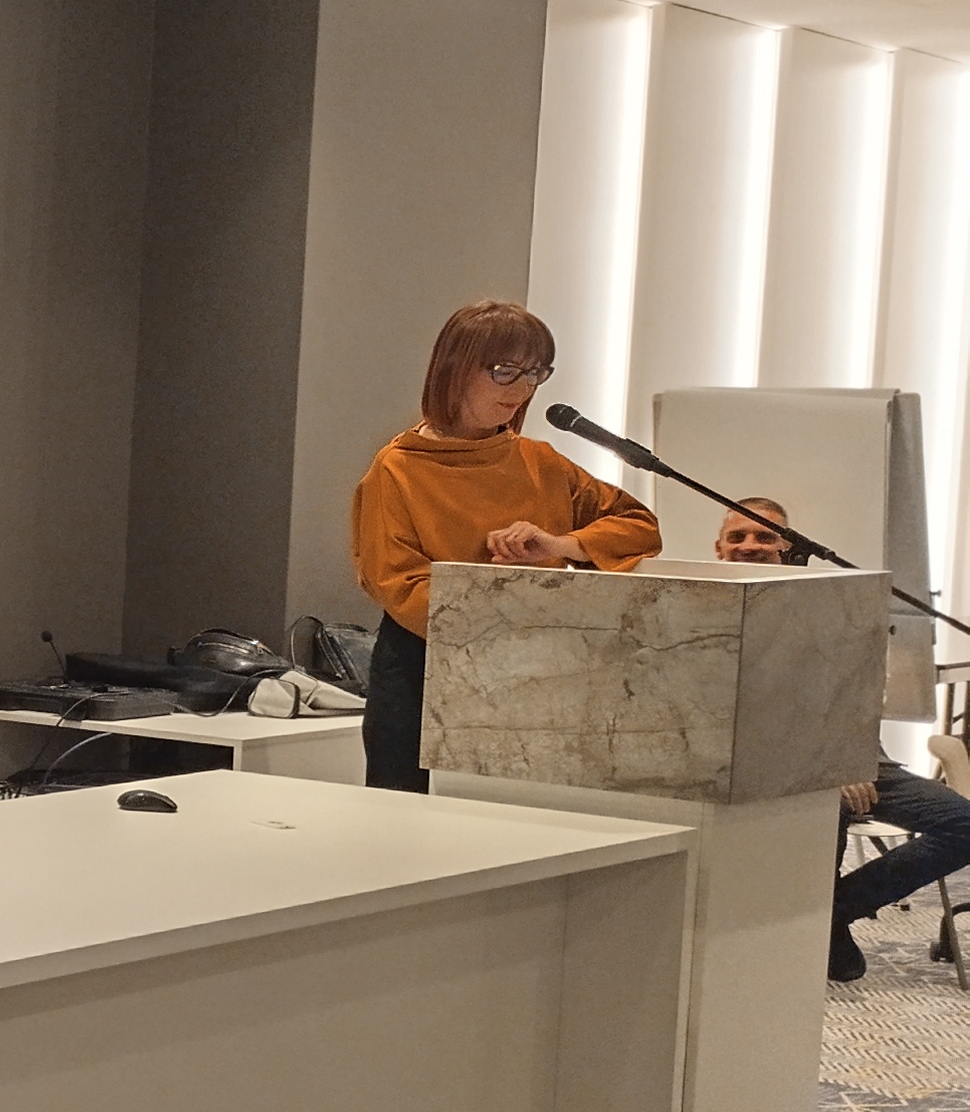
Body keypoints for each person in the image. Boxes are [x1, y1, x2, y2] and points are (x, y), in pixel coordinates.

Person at [347, 300, 660, 791]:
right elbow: (400, 584)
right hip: (426, 669)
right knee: (415, 819)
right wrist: (514, 608)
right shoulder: (398, 468)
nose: (521, 390)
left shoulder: (540, 461)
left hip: (538, 669)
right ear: (453, 370)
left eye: (535, 373)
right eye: (504, 371)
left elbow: (639, 526)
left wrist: (562, 543)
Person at [713, 499, 970, 982]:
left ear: (789, 548)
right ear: (719, 548)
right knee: (824, 806)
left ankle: (829, 915)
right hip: (768, 766)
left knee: (965, 824)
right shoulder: (703, 610)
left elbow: (855, 694)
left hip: (855, 758)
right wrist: (823, 772)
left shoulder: (828, 605)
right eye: (738, 536)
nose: (751, 545)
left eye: (765, 536)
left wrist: (844, 761)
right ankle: (812, 939)